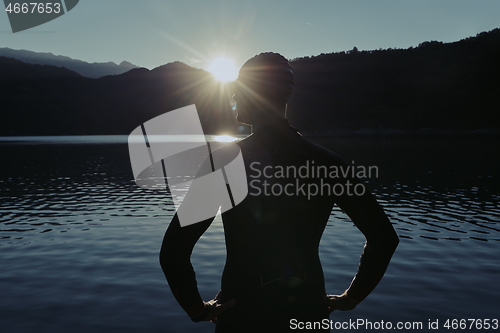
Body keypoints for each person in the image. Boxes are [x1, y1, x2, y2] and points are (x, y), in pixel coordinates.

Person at [160, 52, 399, 332]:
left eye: (237, 89)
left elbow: (174, 251)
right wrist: (352, 297)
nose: (233, 97)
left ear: (252, 93)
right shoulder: (328, 163)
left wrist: (196, 309)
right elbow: (383, 238)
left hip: (243, 315)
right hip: (308, 312)